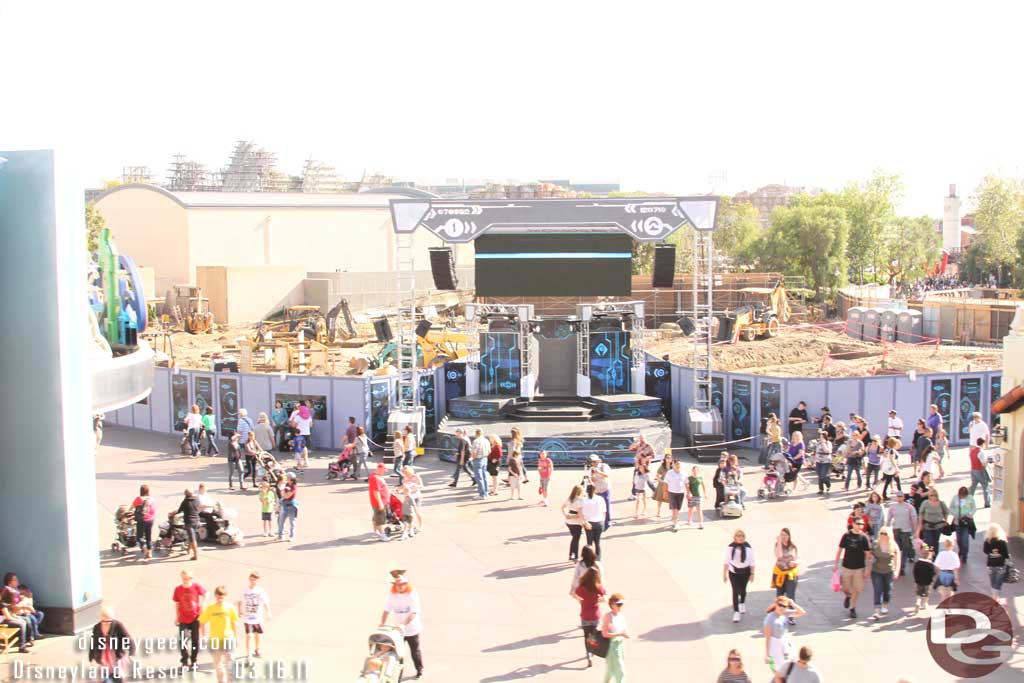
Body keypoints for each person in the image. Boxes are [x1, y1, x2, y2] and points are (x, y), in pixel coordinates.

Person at [380, 569, 424, 680]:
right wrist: (382, 623)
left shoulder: (412, 595)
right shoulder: (392, 595)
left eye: (403, 584)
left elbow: (414, 612)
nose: (400, 586)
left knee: (415, 651)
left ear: (406, 584)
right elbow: (386, 609)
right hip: (398, 630)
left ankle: (419, 669)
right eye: (398, 584)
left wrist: (404, 624)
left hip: (411, 629)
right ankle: (398, 675)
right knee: (398, 653)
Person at [198, 586, 239, 683]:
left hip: (228, 639)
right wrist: (203, 636)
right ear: (215, 596)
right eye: (218, 597)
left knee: (229, 665)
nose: (220, 599)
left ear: (225, 596)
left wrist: (236, 638)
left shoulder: (230, 608)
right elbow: (202, 621)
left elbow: (234, 623)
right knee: (218, 666)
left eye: (222, 597)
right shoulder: (210, 608)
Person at [833, 519, 871, 619]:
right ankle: (847, 596)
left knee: (857, 589)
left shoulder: (864, 538)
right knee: (845, 587)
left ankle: (853, 608)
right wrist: (836, 564)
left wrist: (867, 568)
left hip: (859, 568)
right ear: (853, 524)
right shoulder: (846, 536)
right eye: (858, 524)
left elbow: (868, 554)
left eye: (862, 524)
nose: (860, 526)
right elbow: (840, 550)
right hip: (847, 566)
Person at [87, 606, 134, 680]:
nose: (106, 623)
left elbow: (128, 638)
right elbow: (93, 643)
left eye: (109, 621)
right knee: (105, 679)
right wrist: (91, 657)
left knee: (117, 678)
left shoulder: (118, 625)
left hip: (116, 656)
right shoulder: (97, 628)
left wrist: (131, 652)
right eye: (104, 621)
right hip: (103, 657)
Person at [572, 567, 605, 669]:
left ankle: (589, 655)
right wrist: (597, 600)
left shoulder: (582, 588)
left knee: (586, 636)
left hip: (585, 614)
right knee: (593, 635)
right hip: (595, 615)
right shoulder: (598, 587)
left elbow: (574, 593)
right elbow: (604, 598)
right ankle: (593, 651)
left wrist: (580, 600)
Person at [172, 570, 206, 671]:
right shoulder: (178, 589)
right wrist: (177, 616)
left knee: (195, 641)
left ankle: (194, 660)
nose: (186, 580)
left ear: (191, 578)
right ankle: (184, 662)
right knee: (183, 640)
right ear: (181, 578)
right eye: (184, 578)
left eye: (188, 578)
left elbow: (206, 593)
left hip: (195, 617)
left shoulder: (196, 586)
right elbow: (177, 603)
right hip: (183, 618)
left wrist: (202, 604)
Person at [763, 596, 805, 673]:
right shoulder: (770, 618)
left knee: (791, 664)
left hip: (785, 642)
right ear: (776, 604)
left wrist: (792, 603)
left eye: (784, 606)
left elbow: (802, 612)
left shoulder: (785, 613)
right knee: (777, 669)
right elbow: (767, 638)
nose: (781, 607)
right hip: (775, 644)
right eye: (780, 605)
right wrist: (767, 654)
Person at [239, 571, 272, 659]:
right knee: (249, 635)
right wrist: (240, 610)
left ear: (258, 581)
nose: (253, 581)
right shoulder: (245, 590)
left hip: (258, 617)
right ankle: (248, 653)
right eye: (252, 579)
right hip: (248, 617)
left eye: (255, 580)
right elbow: (240, 600)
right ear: (249, 579)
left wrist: (268, 612)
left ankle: (257, 650)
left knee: (258, 635)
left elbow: (266, 602)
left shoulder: (260, 591)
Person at [870, 527, 901, 620]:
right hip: (876, 570)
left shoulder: (893, 545)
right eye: (881, 533)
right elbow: (869, 555)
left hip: (889, 571)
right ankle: (876, 611)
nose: (883, 535)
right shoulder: (875, 544)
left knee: (888, 590)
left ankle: (885, 605)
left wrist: (896, 570)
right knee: (877, 589)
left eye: (885, 534)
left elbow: (897, 558)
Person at [724, 529, 754, 622]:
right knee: (735, 591)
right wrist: (724, 574)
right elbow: (726, 561)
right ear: (734, 538)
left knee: (743, 590)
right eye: (738, 536)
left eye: (742, 536)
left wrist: (752, 574)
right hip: (734, 572)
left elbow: (752, 562)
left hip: (745, 571)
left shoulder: (748, 548)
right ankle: (736, 612)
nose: (740, 538)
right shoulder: (731, 548)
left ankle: (742, 602)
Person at [0, 575, 35, 653]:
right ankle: (21, 646)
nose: (14, 600)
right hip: (2, 620)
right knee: (22, 623)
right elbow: (7, 617)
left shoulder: (8, 604)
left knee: (26, 619)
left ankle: (29, 639)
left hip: (7, 617)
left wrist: (17, 617)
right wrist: (18, 619)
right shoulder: (3, 604)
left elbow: (12, 614)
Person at [599, 593, 629, 683]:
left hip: (619, 645)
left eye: (621, 604)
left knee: (610, 669)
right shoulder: (608, 616)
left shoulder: (620, 615)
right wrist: (620, 634)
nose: (621, 606)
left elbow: (623, 627)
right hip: (611, 647)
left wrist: (625, 632)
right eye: (619, 604)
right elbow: (604, 634)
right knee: (620, 671)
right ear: (612, 605)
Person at [887, 490, 917, 575]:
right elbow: (889, 518)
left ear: (904, 497)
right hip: (896, 529)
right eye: (898, 496)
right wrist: (887, 529)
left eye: (901, 496)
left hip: (906, 530)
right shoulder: (893, 507)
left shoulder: (909, 507)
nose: (899, 498)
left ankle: (902, 567)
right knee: (896, 549)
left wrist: (915, 531)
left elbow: (914, 518)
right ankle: (897, 565)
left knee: (905, 548)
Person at [982, 523, 1012, 604]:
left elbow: (985, 551)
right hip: (1000, 565)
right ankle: (995, 599)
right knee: (997, 584)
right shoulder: (1002, 541)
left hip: (990, 565)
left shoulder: (987, 541)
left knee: (993, 583)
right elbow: (1005, 554)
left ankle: (995, 597)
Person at [773, 529, 800, 615]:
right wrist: (779, 542)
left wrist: (795, 563)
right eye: (782, 535)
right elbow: (779, 555)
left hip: (791, 574)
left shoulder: (793, 546)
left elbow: (798, 558)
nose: (783, 537)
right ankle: (779, 613)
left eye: (785, 535)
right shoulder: (777, 545)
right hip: (780, 573)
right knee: (780, 596)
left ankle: (791, 616)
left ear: (789, 536)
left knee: (790, 596)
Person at [915, 489, 950, 555]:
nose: (933, 497)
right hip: (927, 526)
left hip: (938, 526)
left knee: (935, 542)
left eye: (935, 495)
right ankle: (927, 554)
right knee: (928, 542)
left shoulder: (941, 503)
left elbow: (946, 512)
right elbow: (921, 514)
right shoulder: (925, 503)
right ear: (929, 496)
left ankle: (934, 557)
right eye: (931, 495)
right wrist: (920, 525)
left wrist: (945, 521)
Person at [950, 486, 976, 562]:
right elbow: (951, 508)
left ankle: (964, 556)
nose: (963, 497)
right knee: (959, 540)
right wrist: (956, 514)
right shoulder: (955, 498)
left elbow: (974, 508)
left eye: (964, 495)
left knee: (965, 540)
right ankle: (961, 551)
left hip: (967, 523)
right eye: (962, 495)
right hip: (958, 522)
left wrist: (969, 514)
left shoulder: (970, 498)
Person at [582, 484, 607, 561]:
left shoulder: (584, 500)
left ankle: (588, 558)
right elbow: (604, 511)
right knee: (597, 542)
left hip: (589, 522)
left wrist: (584, 522)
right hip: (599, 522)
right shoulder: (600, 499)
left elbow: (582, 513)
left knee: (589, 543)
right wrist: (603, 521)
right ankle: (598, 558)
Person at [131, 484, 156, 561]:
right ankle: (150, 552)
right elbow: (154, 508)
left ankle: (144, 549)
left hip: (142, 520)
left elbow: (132, 507)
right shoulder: (151, 499)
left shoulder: (139, 499)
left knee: (139, 537)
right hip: (151, 520)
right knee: (148, 537)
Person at [176, 488, 201, 560]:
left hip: (189, 522)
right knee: (191, 536)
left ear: (185, 494)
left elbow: (179, 511)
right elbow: (199, 508)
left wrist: (172, 513)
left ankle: (196, 555)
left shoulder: (185, 501)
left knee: (192, 539)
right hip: (197, 521)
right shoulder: (197, 500)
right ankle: (188, 550)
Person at [933, 536, 961, 601]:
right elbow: (956, 568)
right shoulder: (954, 555)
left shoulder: (941, 554)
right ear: (953, 545)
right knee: (950, 592)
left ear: (944, 545)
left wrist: (938, 574)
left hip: (942, 574)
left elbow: (937, 565)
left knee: (943, 593)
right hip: (951, 574)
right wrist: (956, 579)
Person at [588, 454, 613, 529]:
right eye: (592, 462)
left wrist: (598, 472)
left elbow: (607, 475)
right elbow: (591, 480)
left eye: (595, 461)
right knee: (596, 507)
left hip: (605, 488)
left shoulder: (604, 466)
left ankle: (607, 523)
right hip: (596, 490)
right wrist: (592, 475)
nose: (593, 463)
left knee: (606, 507)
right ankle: (597, 523)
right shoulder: (591, 469)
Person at [562, 484, 585, 561]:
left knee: (574, 538)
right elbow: (579, 514)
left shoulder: (570, 499)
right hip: (576, 522)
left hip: (569, 522)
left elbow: (562, 507)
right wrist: (583, 521)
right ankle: (575, 555)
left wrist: (566, 515)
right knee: (576, 539)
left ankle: (571, 554)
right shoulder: (580, 500)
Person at [912, 544, 937, 614]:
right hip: (928, 582)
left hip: (919, 581)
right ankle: (925, 604)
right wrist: (931, 579)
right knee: (926, 593)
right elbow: (933, 573)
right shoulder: (930, 565)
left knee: (918, 593)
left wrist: (916, 579)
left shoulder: (917, 563)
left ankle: (918, 602)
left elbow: (914, 571)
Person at [369, 464, 391, 542]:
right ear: (380, 469)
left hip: (379, 502)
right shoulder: (376, 478)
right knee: (380, 519)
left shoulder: (375, 475)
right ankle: (382, 535)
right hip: (379, 502)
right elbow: (376, 492)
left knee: (376, 517)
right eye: (383, 471)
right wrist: (380, 503)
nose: (384, 472)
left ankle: (376, 532)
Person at [968, 437, 992, 507]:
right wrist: (989, 460)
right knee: (985, 487)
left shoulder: (972, 451)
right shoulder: (981, 452)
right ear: (983, 444)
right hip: (980, 470)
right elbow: (983, 463)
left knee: (973, 487)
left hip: (973, 470)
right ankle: (987, 502)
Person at [664, 458, 687, 532]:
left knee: (676, 509)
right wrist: (665, 493)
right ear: (673, 465)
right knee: (675, 508)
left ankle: (674, 520)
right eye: (676, 464)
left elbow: (686, 483)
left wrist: (688, 493)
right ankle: (676, 523)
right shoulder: (669, 473)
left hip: (680, 493)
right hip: (672, 492)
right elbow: (666, 483)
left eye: (679, 464)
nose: (678, 465)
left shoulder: (683, 473)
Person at [401, 466, 424, 532]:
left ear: (409, 471)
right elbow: (404, 487)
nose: (405, 474)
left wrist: (416, 486)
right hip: (408, 497)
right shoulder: (404, 478)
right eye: (403, 472)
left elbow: (421, 486)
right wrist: (399, 490)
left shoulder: (416, 476)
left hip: (416, 497)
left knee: (417, 512)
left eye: (406, 472)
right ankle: (410, 526)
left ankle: (421, 526)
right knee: (409, 513)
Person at [289, 405, 312, 470]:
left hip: (300, 434)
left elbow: (293, 425)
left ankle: (301, 462)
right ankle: (305, 461)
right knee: (304, 447)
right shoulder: (309, 416)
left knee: (299, 447)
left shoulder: (298, 417)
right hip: (307, 433)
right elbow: (311, 425)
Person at [276, 474, 297, 542]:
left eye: (287, 478)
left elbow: (287, 496)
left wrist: (283, 493)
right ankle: (280, 536)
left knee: (292, 522)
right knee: (281, 521)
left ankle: (292, 536)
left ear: (291, 479)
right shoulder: (286, 485)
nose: (286, 479)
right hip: (284, 505)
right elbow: (282, 494)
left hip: (291, 505)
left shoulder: (293, 487)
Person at [471, 429, 490, 500]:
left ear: (476, 433)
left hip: (478, 460)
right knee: (485, 476)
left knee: (479, 478)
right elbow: (489, 451)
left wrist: (472, 458)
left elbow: (474, 453)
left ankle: (482, 494)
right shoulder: (486, 440)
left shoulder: (476, 441)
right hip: (485, 459)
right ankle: (486, 492)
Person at [652, 453, 672, 518]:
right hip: (662, 484)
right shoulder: (662, 467)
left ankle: (672, 513)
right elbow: (657, 476)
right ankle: (658, 511)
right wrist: (662, 481)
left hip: (671, 484)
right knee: (660, 498)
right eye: (667, 458)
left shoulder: (673, 466)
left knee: (672, 499)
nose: (669, 459)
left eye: (670, 458)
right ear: (665, 459)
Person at [686, 465, 706, 529]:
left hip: (698, 495)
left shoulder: (700, 478)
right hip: (692, 496)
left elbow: (703, 486)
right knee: (691, 509)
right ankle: (689, 520)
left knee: (699, 509)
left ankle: (701, 523)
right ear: (692, 471)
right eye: (694, 470)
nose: (695, 472)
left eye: (696, 470)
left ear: (698, 471)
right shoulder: (689, 478)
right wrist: (688, 493)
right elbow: (687, 487)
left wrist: (705, 494)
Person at [813, 431, 833, 496]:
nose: (821, 438)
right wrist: (814, 461)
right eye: (820, 437)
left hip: (826, 461)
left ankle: (828, 484)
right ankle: (821, 489)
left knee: (823, 475)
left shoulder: (828, 443)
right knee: (819, 476)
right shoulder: (818, 444)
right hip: (818, 461)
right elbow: (816, 452)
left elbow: (828, 451)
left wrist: (823, 444)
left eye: (822, 437)